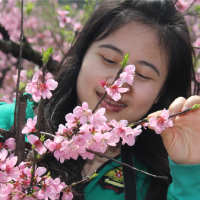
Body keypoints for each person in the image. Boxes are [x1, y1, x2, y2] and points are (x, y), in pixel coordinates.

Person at [0, 0, 200, 199]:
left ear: (161, 92)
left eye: (144, 75)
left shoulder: (158, 181)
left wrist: (190, 172)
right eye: (109, 60)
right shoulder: (6, 123)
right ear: (82, 54)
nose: (118, 84)